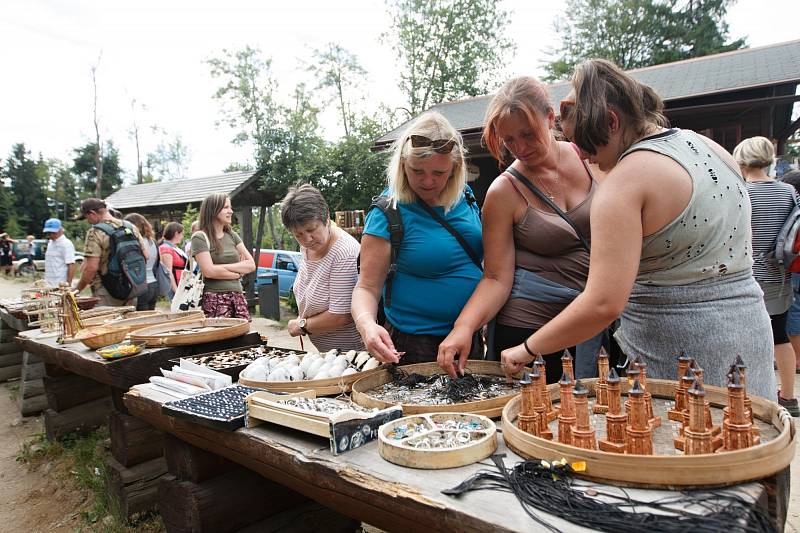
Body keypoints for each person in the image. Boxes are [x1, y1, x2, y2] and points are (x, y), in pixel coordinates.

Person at [501, 59, 776, 399]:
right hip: (750, 333)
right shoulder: (710, 148)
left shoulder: (623, 186)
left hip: (678, 355)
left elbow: (602, 303)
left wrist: (527, 348)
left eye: (585, 144)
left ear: (612, 122)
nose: (584, 156)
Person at [438, 77, 599, 382]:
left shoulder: (591, 158)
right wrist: (464, 327)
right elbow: (496, 277)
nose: (520, 148)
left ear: (551, 117)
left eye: (528, 134)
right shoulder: (504, 192)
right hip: (529, 326)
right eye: (509, 140)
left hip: (596, 315)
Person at [351, 111, 483, 365]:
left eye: (439, 172)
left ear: (455, 169)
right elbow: (366, 287)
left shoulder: (465, 196)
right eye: (417, 171)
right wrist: (367, 326)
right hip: (415, 344)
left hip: (468, 336)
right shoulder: (388, 211)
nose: (428, 181)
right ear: (402, 164)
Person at [735, 137, 800, 415]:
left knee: (745, 338)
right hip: (780, 276)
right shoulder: (788, 191)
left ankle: (749, 395)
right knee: (779, 334)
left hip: (746, 276)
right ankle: (788, 397)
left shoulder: (739, 192)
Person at [280, 184, 363, 351]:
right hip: (329, 352)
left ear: (326, 219)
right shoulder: (308, 247)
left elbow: (341, 316)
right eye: (298, 234)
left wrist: (302, 325)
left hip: (353, 352)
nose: (307, 239)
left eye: (311, 229)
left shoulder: (344, 252)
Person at [191, 193, 255, 320]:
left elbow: (251, 264)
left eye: (230, 207)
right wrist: (237, 273)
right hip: (215, 299)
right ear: (213, 210)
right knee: (221, 338)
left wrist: (219, 268)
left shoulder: (232, 235)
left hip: (237, 296)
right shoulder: (200, 237)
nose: (231, 211)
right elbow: (208, 271)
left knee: (242, 337)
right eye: (226, 207)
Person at [74, 198, 148, 307]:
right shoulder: (130, 227)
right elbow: (146, 256)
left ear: (92, 213)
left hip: (106, 291)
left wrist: (77, 289)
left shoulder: (95, 232)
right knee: (127, 323)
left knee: (107, 323)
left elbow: (91, 268)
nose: (88, 221)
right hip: (131, 287)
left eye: (86, 217)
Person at [124, 213, 160, 311]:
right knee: (151, 319)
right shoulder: (152, 241)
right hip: (153, 283)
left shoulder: (137, 242)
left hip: (141, 285)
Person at [42, 218, 76, 287]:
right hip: (48, 284)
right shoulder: (50, 243)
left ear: (60, 230)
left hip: (60, 284)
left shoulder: (66, 244)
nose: (50, 235)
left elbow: (71, 265)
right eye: (48, 232)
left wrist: (68, 284)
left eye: (53, 232)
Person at [159, 221, 188, 299]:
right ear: (176, 234)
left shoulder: (174, 248)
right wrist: (176, 290)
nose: (182, 237)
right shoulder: (166, 248)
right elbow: (168, 272)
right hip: (175, 286)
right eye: (182, 234)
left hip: (181, 283)